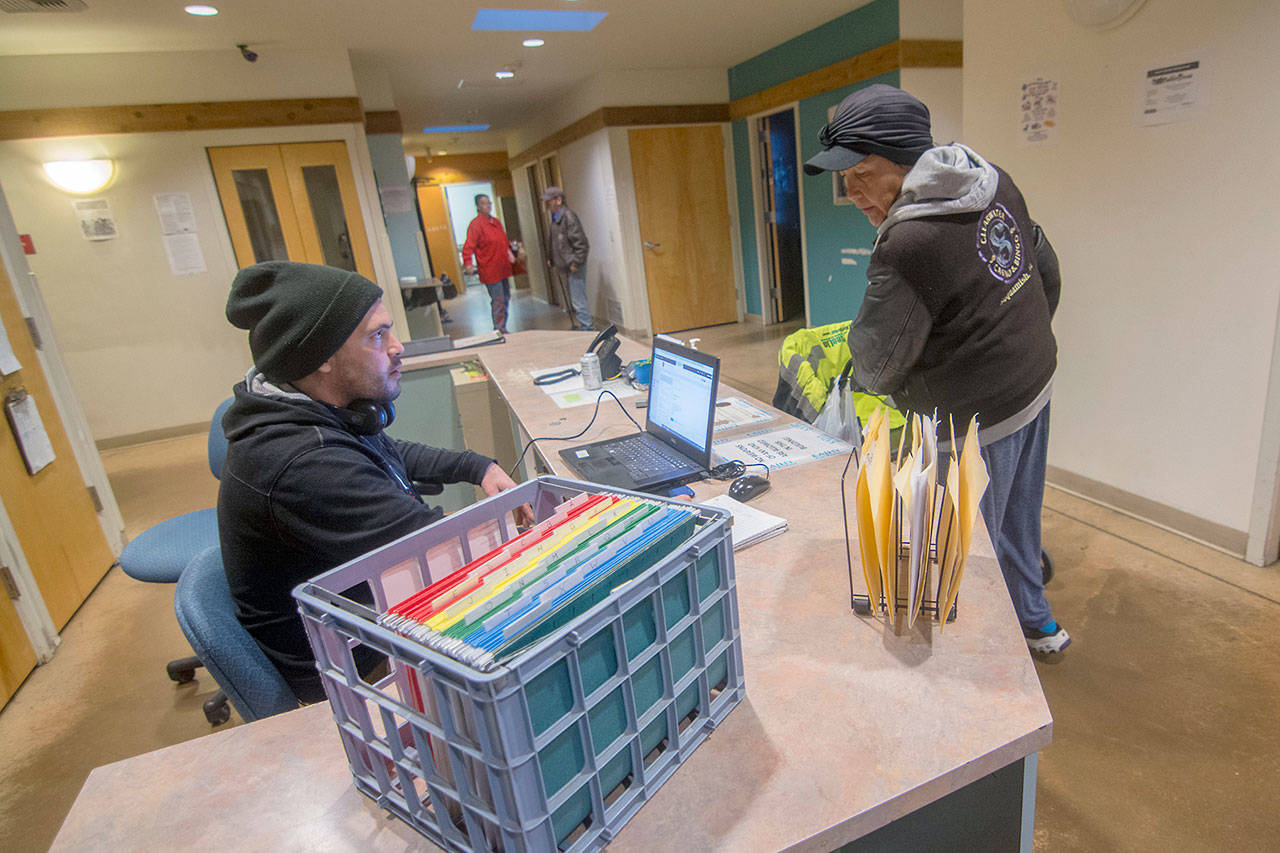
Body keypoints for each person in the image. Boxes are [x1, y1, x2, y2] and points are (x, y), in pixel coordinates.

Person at [803, 84, 1069, 656]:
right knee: (1020, 519)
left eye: (861, 173)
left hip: (971, 419)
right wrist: (1016, 341)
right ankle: (1037, 622)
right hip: (1035, 383)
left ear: (902, 157)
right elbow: (1042, 266)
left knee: (964, 554)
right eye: (842, 177)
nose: (850, 192)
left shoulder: (908, 241)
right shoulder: (993, 179)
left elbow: (878, 358)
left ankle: (985, 667)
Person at [218, 261, 527, 702]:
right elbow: (440, 552)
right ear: (320, 357)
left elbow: (388, 452)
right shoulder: (305, 463)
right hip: (349, 669)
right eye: (377, 335)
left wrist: (474, 466)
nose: (398, 347)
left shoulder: (309, 408)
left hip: (357, 618)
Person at [540, 186, 593, 331]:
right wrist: (551, 257)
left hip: (573, 264)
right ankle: (584, 326)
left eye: (549, 201)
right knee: (575, 298)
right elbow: (555, 241)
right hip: (566, 264)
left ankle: (587, 328)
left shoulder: (568, 217)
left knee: (578, 299)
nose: (547, 204)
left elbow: (581, 243)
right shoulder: (557, 218)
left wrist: (576, 262)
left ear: (558, 200)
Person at [461, 193, 514, 334]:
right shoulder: (476, 225)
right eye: (484, 203)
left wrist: (510, 254)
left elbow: (503, 241)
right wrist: (468, 263)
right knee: (498, 299)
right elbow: (469, 246)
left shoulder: (496, 222)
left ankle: (503, 325)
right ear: (478, 206)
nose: (488, 205)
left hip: (502, 267)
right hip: (490, 268)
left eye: (489, 202)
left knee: (506, 298)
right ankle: (499, 328)